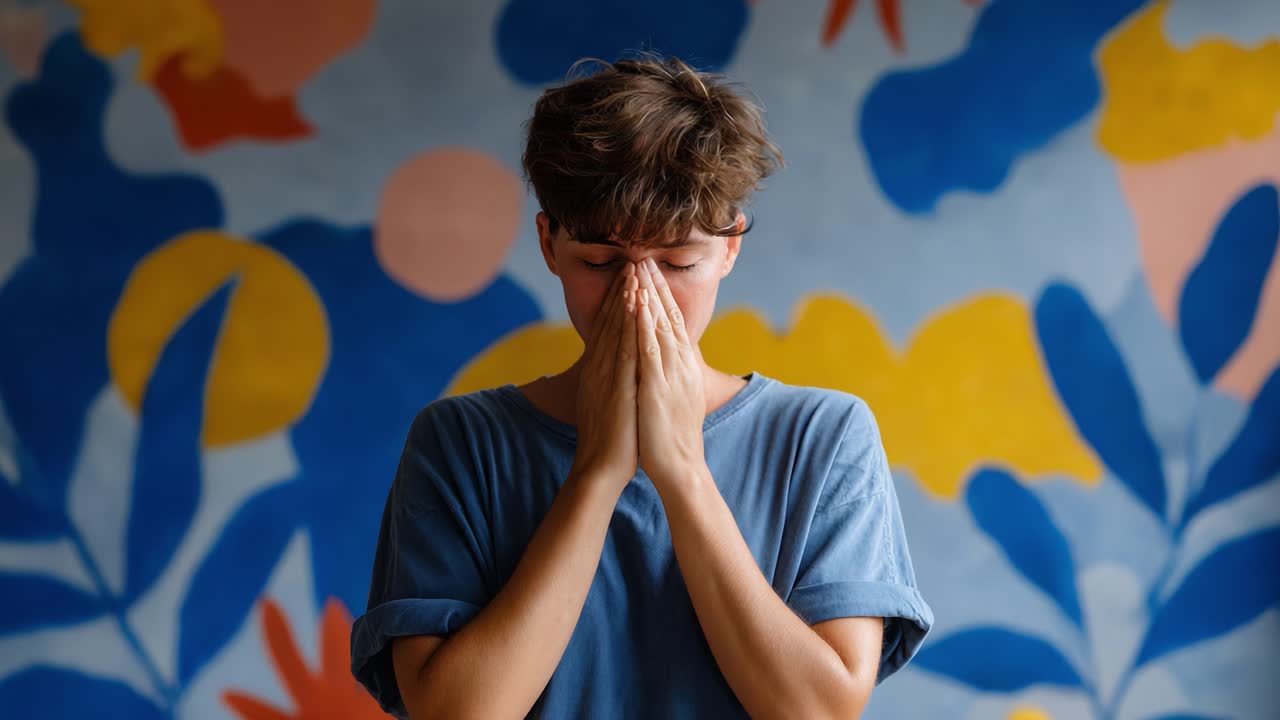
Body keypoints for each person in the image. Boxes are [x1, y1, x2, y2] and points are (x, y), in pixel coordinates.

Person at [349, 53, 933, 719]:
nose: (636, 298)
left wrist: (680, 468)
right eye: (600, 262)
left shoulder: (821, 438)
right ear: (548, 244)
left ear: (730, 245)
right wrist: (598, 470)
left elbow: (818, 711)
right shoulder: (461, 442)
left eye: (678, 262)